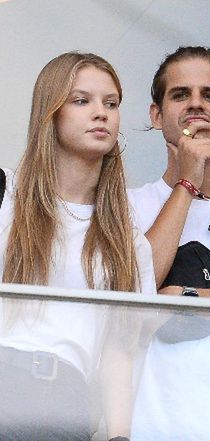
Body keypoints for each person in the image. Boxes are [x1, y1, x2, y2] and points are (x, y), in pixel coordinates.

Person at [0, 52, 155, 441]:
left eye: (111, 103)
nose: (101, 113)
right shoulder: (6, 195)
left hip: (69, 406)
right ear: (50, 113)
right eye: (81, 100)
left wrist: (119, 436)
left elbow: (120, 352)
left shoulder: (128, 240)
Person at [127, 46, 210, 441]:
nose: (195, 104)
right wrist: (186, 183)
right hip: (153, 427)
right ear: (156, 115)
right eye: (180, 94)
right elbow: (129, 298)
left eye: (209, 95)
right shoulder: (125, 206)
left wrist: (190, 297)